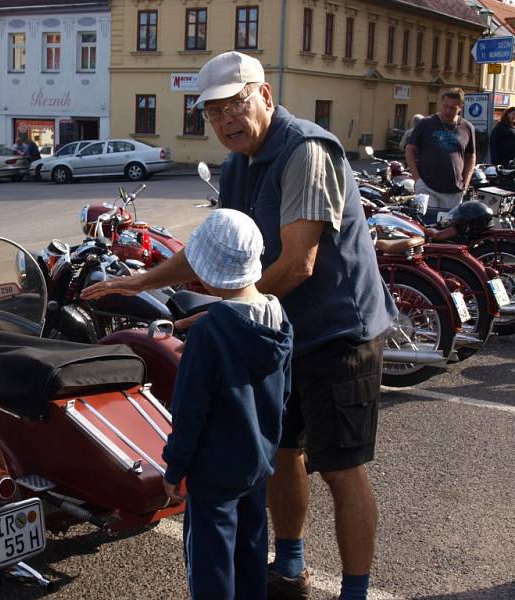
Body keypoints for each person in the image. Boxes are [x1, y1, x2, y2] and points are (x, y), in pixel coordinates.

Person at [82, 51, 397, 600]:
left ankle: (355, 591)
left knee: (340, 468)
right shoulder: (238, 165)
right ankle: (291, 564)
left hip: (338, 333)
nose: (226, 119)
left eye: (237, 104)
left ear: (266, 96)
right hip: (280, 331)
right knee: (280, 453)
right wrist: (138, 282)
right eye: (213, 112)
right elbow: (219, 251)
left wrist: (223, 316)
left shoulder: (305, 152)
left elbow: (298, 262)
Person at [162, 208, 293, 600]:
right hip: (258, 461)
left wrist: (175, 468)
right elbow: (283, 394)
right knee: (251, 550)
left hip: (214, 471)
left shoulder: (208, 333)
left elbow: (189, 412)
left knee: (211, 562)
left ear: (207, 272)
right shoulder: (280, 318)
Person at [405, 88, 476, 221]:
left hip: (455, 190)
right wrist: (417, 180)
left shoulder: (467, 127)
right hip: (428, 187)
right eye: (445, 106)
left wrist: (466, 183)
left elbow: (471, 156)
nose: (448, 111)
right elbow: (410, 150)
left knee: (448, 229)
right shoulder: (426, 123)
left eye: (453, 108)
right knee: (428, 227)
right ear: (441, 104)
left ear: (460, 107)